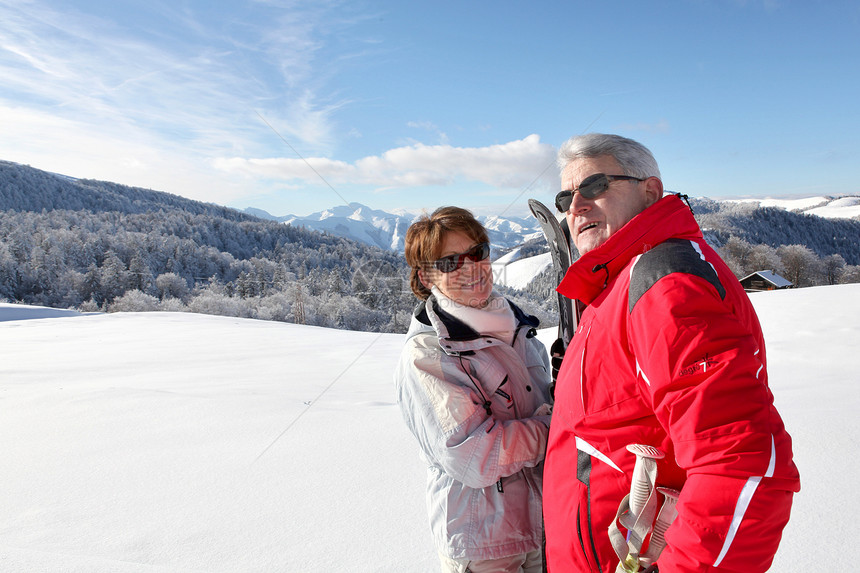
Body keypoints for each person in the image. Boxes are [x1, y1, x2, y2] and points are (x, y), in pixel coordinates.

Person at [542, 134, 800, 572]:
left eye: (595, 186)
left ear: (651, 191)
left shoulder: (664, 284)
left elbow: (742, 465)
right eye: (566, 196)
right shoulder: (618, 283)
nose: (576, 206)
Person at [395, 206, 553, 573]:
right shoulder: (428, 354)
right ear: (426, 277)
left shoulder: (517, 328)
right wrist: (555, 427)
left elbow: (535, 402)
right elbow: (473, 456)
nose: (471, 267)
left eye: (478, 252)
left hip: (544, 523)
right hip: (484, 543)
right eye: (450, 262)